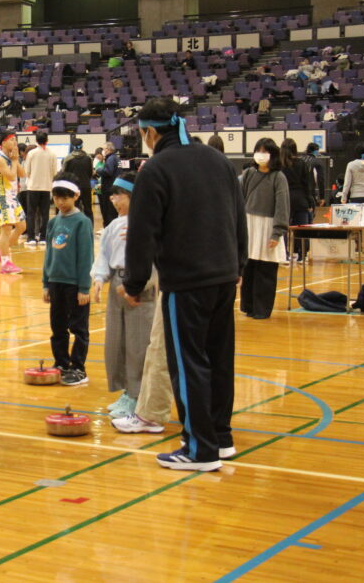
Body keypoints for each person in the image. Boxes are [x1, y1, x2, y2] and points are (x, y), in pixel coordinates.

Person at [124, 97, 247, 472]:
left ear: (149, 132)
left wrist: (134, 282)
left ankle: (199, 449)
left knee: (188, 363)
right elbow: (238, 216)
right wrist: (239, 264)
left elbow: (142, 234)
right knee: (219, 360)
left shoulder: (156, 169)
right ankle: (220, 438)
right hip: (224, 276)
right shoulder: (217, 160)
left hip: (186, 281)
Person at [90, 170, 157, 415]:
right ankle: (127, 391)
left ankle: (138, 395)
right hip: (117, 286)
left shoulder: (149, 225)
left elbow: (155, 261)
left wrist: (140, 285)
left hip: (138, 288)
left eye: (119, 195)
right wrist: (99, 279)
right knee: (116, 342)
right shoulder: (113, 226)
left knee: (138, 343)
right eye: (113, 195)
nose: (113, 200)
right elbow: (104, 256)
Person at [42, 172, 94, 385]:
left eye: (65, 198)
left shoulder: (82, 222)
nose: (60, 202)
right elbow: (48, 254)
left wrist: (84, 287)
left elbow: (86, 257)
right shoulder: (53, 222)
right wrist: (46, 283)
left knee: (79, 328)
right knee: (58, 327)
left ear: (75, 196)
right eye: (56, 198)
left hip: (75, 285)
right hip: (56, 283)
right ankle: (61, 363)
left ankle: (79, 368)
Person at [239, 139, 289, 319]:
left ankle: (262, 309)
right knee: (249, 268)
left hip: (268, 226)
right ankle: (248, 306)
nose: (260, 155)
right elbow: (239, 199)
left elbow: (282, 206)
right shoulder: (248, 173)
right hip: (249, 224)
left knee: (266, 269)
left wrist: (277, 232)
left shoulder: (278, 177)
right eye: (258, 150)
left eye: (264, 151)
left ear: (272, 154)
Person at [0, 131, 26, 274]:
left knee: (22, 226)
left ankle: (1, 252)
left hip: (12, 196)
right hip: (3, 198)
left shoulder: (10, 157)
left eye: (15, 140)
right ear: (4, 143)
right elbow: (11, 176)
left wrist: (15, 159)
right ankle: (5, 263)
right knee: (6, 229)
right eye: (12, 140)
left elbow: (22, 174)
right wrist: (15, 160)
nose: (15, 143)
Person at [280, 138, 315, 262]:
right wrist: (310, 202)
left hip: (284, 198)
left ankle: (284, 255)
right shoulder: (302, 163)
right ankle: (302, 255)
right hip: (301, 199)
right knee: (301, 228)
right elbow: (307, 184)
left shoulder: (279, 164)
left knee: (283, 228)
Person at [23, 131, 59, 247]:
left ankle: (31, 238)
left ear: (36, 141)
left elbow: (27, 171)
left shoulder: (31, 153)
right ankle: (43, 237)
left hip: (33, 187)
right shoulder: (52, 154)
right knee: (45, 213)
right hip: (46, 187)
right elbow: (54, 172)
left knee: (31, 213)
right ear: (47, 140)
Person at [62, 138, 94, 222]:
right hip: (86, 186)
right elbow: (91, 173)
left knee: (73, 209)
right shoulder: (88, 157)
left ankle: (74, 227)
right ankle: (90, 227)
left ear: (72, 146)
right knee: (88, 209)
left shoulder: (68, 158)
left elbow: (64, 173)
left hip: (73, 187)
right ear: (82, 146)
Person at [98, 143, 121, 226]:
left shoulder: (110, 159)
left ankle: (108, 228)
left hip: (109, 188)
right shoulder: (116, 158)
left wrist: (99, 170)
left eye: (104, 149)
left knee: (108, 211)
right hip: (115, 187)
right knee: (114, 211)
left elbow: (108, 172)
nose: (103, 151)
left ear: (108, 149)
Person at [301, 142, 326, 207]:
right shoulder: (317, 162)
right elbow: (320, 180)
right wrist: (322, 197)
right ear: (315, 151)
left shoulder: (300, 160)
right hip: (310, 194)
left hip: (299, 194)